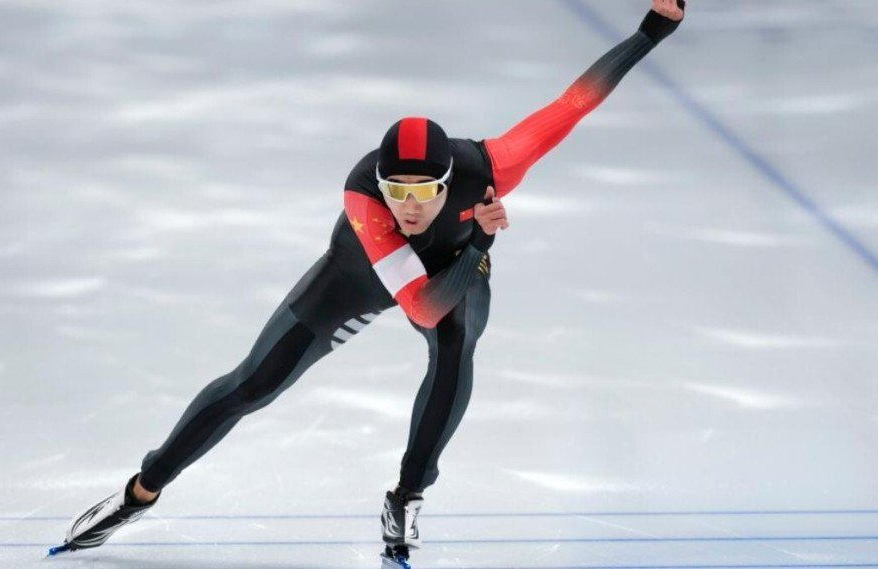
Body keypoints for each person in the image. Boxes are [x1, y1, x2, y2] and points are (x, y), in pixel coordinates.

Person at [52, 0, 686, 564]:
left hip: (452, 267)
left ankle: (406, 496)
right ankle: (140, 491)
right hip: (360, 275)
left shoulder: (495, 165)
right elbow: (423, 305)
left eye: (424, 192)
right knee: (254, 384)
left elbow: (574, 102)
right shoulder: (365, 201)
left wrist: (649, 33)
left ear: (450, 183)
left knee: (456, 350)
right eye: (396, 190)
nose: (409, 206)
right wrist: (481, 241)